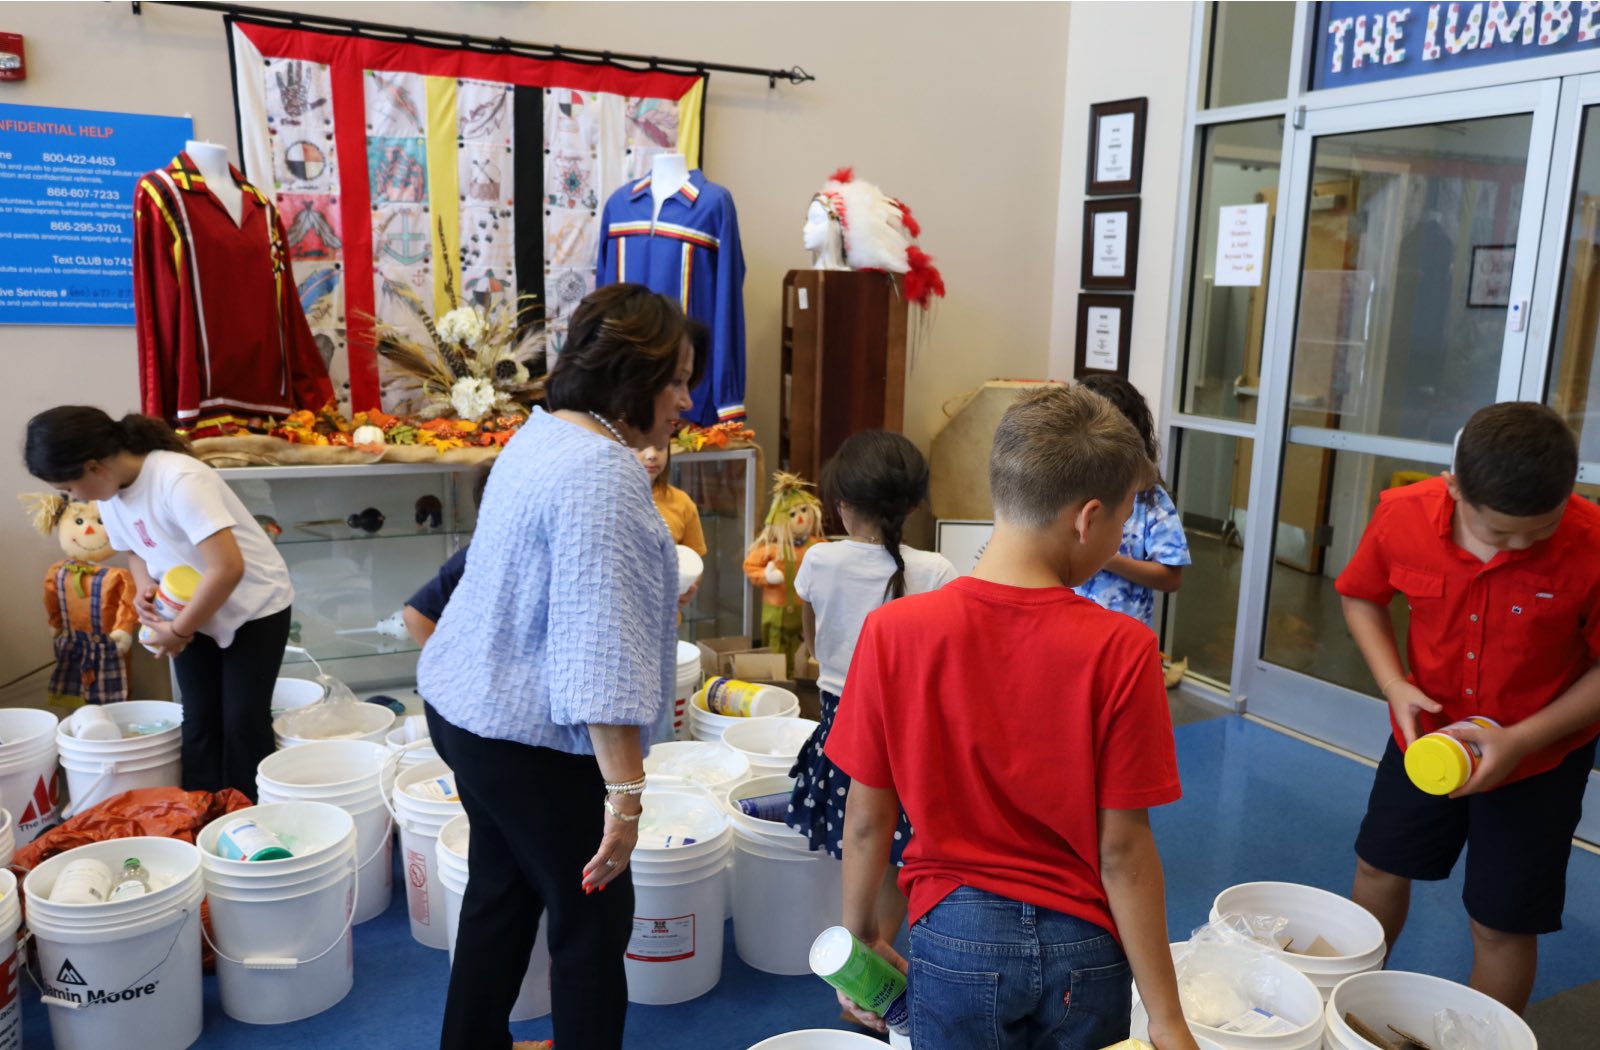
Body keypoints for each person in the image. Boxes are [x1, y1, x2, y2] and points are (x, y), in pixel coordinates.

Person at [826, 385, 1198, 1050]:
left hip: (955, 938)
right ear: (1087, 520)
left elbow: (866, 820)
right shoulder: (1124, 648)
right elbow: (1123, 851)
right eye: (1122, 520)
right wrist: (1165, 1016)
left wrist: (860, 937)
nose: (1119, 533)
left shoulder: (894, 632)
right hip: (1084, 943)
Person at [416, 282, 699, 1050]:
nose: (683, 400)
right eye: (676, 380)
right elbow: (597, 650)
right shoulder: (601, 471)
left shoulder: (543, 433)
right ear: (633, 377)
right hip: (526, 736)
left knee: (502, 892)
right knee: (591, 921)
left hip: (465, 707)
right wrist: (627, 798)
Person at [1337, 401, 1600, 1013]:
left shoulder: (1591, 544)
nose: (1519, 545)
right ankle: (1343, 1011)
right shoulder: (1401, 516)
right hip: (1425, 740)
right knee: (1379, 869)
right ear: (1453, 488)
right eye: (1498, 531)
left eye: (1540, 529)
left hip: (1538, 762)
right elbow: (1360, 597)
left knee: (1501, 921)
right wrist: (1394, 683)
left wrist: (1523, 741)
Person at [23, 406, 293, 801]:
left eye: (67, 487)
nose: (71, 498)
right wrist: (145, 588)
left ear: (94, 466)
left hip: (252, 606)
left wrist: (177, 632)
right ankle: (199, 809)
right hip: (186, 606)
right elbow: (135, 550)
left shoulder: (179, 479)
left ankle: (250, 816)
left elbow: (227, 569)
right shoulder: (112, 493)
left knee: (242, 720)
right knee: (199, 718)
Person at [785, 430, 957, 949]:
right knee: (898, 854)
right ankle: (877, 956)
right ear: (913, 504)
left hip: (842, 723)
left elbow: (810, 640)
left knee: (855, 838)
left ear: (841, 503)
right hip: (910, 735)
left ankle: (852, 961)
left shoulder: (819, 560)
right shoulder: (937, 571)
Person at [1072, 374, 1189, 628]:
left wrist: (1106, 559)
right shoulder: (1065, 489)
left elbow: (1171, 578)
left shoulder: (1149, 498)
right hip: (1066, 631)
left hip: (1122, 635)